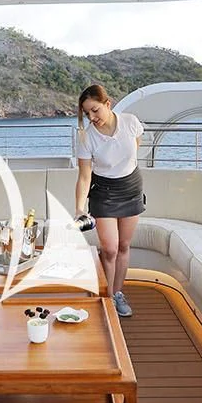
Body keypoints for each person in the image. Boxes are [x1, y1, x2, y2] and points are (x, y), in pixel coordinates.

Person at [73, 84, 144, 317]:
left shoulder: (131, 122)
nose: (92, 118)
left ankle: (117, 293)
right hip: (103, 192)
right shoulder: (86, 137)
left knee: (124, 246)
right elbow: (84, 176)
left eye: (95, 110)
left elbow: (133, 150)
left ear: (107, 104)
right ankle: (106, 297)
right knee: (110, 248)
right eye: (87, 114)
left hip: (131, 188)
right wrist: (79, 208)